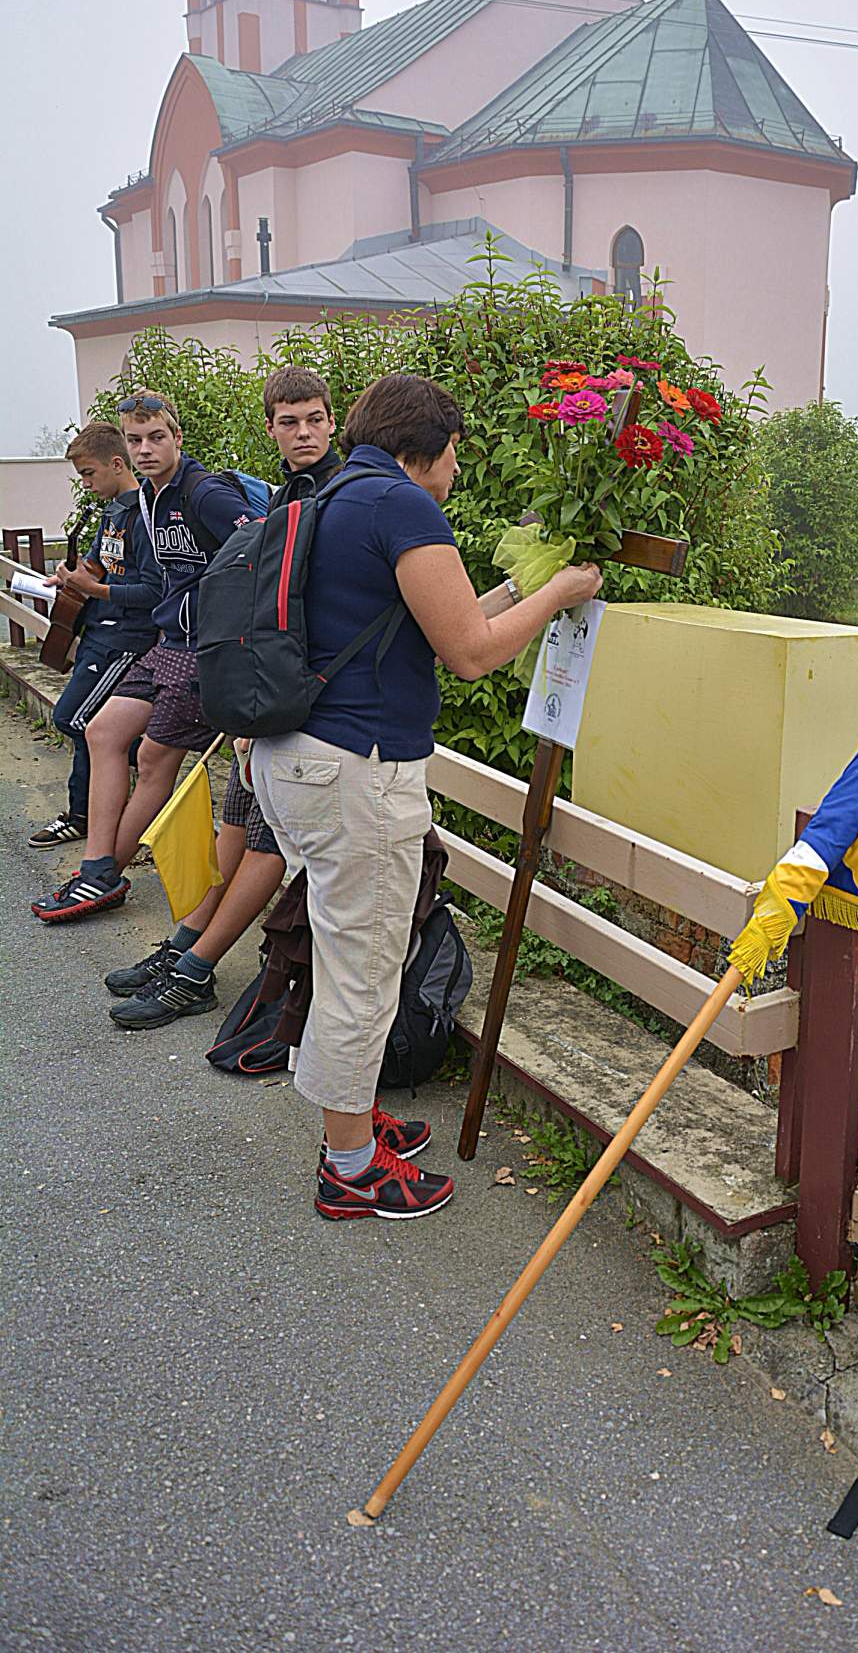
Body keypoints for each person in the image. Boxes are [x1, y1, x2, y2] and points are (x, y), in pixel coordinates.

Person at [251, 372, 602, 1222]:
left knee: (348, 953)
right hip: (355, 772)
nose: (456, 473)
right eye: (454, 456)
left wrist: (523, 584)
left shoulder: (338, 494)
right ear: (431, 448)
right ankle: (349, 1167)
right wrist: (561, 594)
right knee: (364, 972)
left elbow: (441, 622)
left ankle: (351, 1118)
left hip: (296, 759)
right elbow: (472, 655)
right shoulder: (404, 506)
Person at [106, 367, 343, 1027]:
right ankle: (185, 944)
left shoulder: (342, 495)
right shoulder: (290, 492)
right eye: (289, 422)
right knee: (236, 819)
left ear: (334, 422)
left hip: (304, 700)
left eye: (314, 419)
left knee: (265, 838)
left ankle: (196, 970)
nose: (303, 433)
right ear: (271, 428)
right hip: (265, 691)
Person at [32, 392, 254, 924]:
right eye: (136, 440)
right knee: (102, 731)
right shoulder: (151, 498)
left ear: (177, 437)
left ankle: (102, 876)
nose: (146, 448)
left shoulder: (204, 493)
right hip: (168, 641)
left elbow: (266, 546)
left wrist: (225, 617)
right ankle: (97, 866)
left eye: (156, 437)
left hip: (206, 648)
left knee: (154, 760)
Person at [29, 423, 162, 848]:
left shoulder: (145, 516)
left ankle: (146, 766)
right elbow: (98, 563)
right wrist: (69, 578)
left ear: (117, 464)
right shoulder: (112, 512)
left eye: (89, 473)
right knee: (85, 723)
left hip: (126, 641)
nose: (85, 483)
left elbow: (155, 591)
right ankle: (85, 813)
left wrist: (97, 590)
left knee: (76, 720)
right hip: (99, 635)